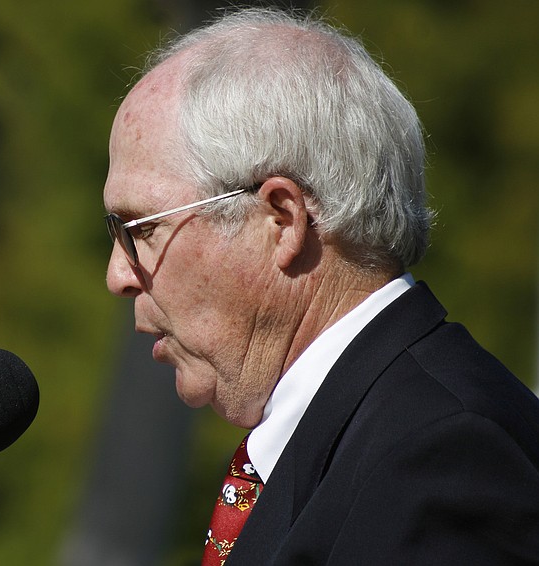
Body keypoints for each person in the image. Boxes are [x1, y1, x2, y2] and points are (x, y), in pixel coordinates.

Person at [103, 7, 539, 565]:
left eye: (140, 228)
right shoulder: (359, 435)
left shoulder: (442, 457)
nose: (119, 275)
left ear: (282, 220)